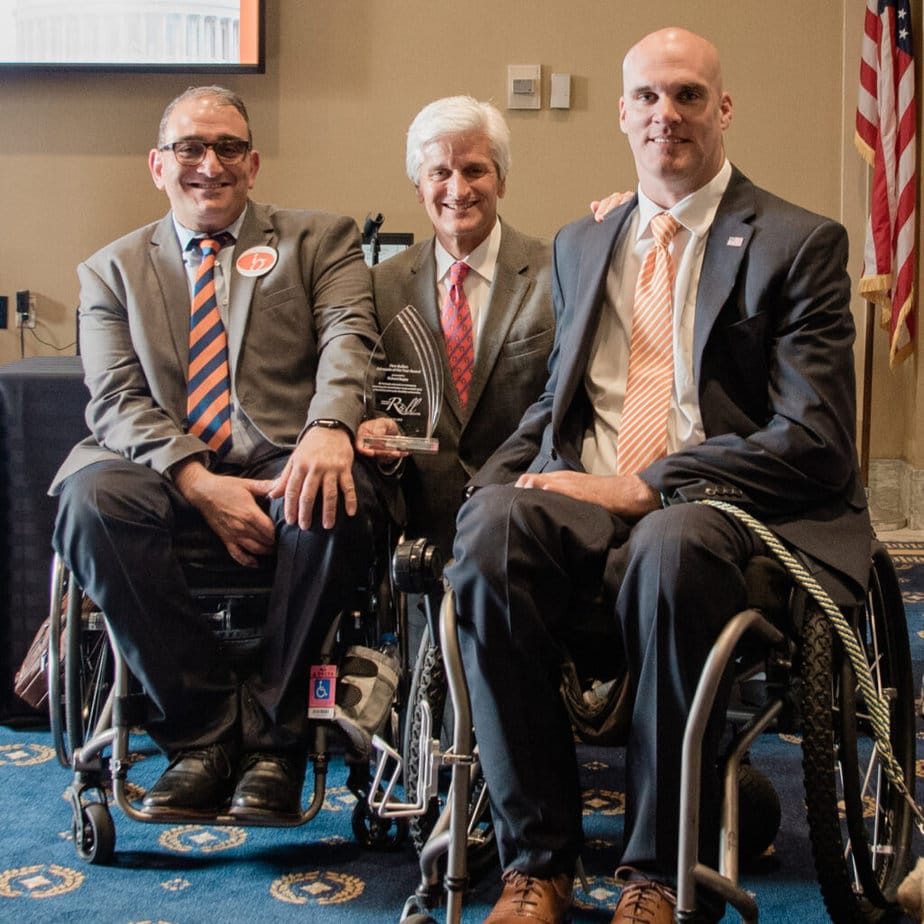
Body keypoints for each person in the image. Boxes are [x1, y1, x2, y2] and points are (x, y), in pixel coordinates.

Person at [446, 27, 871, 924]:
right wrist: (490, 488)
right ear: (623, 114)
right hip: (586, 499)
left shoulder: (798, 242)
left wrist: (652, 484)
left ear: (723, 109)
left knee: (672, 542)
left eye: (685, 95)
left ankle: (658, 874)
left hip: (728, 512)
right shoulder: (580, 242)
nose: (664, 115)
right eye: (646, 97)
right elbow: (556, 409)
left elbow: (818, 440)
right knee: (489, 533)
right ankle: (538, 865)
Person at [50, 86, 386, 823]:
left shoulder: (320, 239)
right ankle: (200, 735)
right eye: (190, 148)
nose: (210, 164)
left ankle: (275, 743)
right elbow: (113, 396)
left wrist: (330, 428)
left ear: (254, 162)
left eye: (228, 147)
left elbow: (347, 339)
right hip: (159, 467)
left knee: (337, 496)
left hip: (280, 456)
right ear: (157, 164)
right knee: (88, 503)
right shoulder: (109, 270)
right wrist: (199, 481)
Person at [356, 95, 553, 562]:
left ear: (502, 180)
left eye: (474, 170)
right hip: (415, 533)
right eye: (440, 173)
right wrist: (376, 435)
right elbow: (371, 396)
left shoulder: (557, 270)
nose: (457, 188)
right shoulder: (379, 285)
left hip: (524, 530)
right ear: (418, 187)